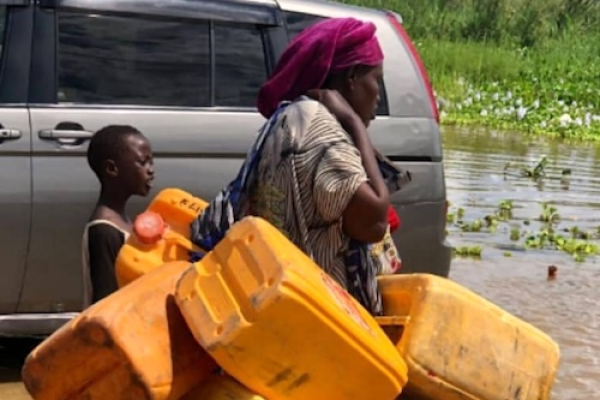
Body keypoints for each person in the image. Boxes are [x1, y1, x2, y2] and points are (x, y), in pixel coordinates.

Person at [190, 18, 409, 315]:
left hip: (281, 300)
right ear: (353, 76)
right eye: (376, 80)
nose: (378, 95)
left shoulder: (288, 116)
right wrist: (355, 124)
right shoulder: (322, 129)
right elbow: (373, 223)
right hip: (320, 311)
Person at [82, 125, 154, 306]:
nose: (151, 170)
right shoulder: (104, 230)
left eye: (151, 162)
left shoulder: (123, 221)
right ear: (112, 169)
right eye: (142, 162)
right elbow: (105, 303)